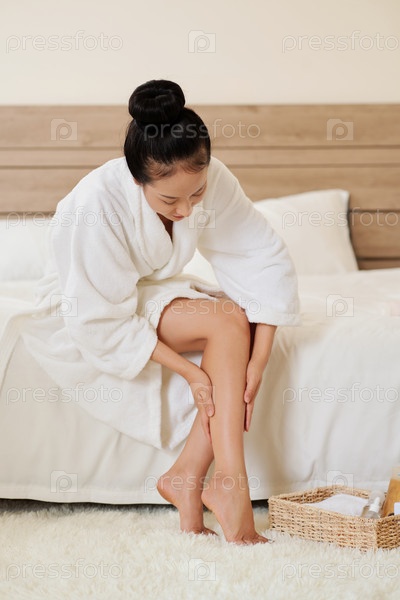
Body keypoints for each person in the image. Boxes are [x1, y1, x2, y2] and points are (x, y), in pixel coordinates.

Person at [21, 79, 300, 545]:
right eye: (170, 200)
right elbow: (99, 319)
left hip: (146, 293)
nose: (187, 209)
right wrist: (190, 374)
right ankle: (228, 485)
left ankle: (189, 477)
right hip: (83, 305)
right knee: (227, 318)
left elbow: (260, 258)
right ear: (137, 180)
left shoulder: (208, 176)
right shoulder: (95, 203)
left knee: (236, 314)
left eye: (197, 194)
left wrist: (260, 359)